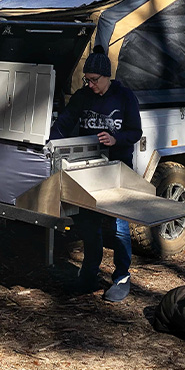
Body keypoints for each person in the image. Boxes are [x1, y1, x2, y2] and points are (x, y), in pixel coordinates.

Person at [50, 45, 142, 302]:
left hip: (117, 171)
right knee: (88, 225)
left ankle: (122, 277)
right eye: (87, 79)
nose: (90, 84)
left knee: (119, 228)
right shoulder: (82, 96)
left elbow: (135, 132)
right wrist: (51, 144)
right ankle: (88, 274)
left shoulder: (124, 97)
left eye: (94, 80)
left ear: (106, 77)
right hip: (88, 171)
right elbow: (64, 122)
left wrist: (116, 139)